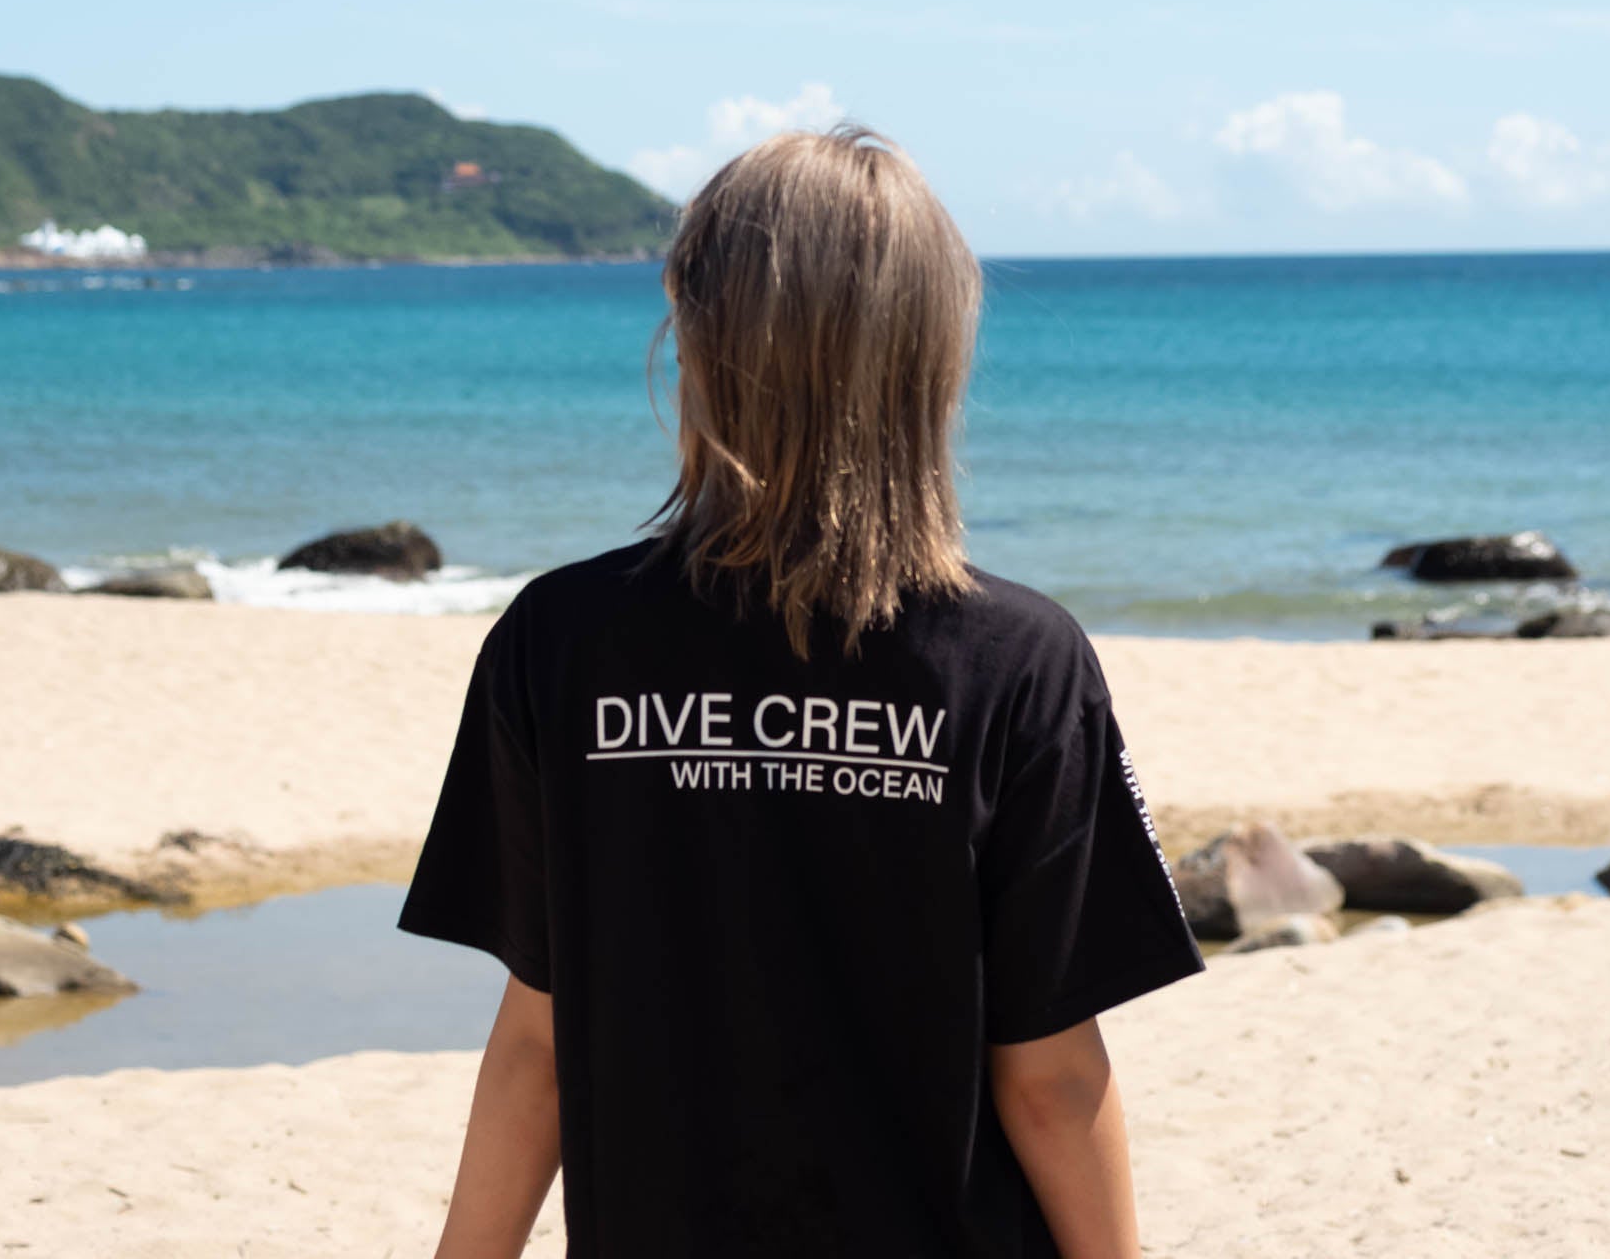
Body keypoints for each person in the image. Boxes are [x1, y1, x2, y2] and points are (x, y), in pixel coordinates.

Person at [402, 124, 1201, 1258]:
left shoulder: (562, 640)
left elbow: (541, 1035)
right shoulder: (1019, 663)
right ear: (930, 363)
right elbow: (1050, 1077)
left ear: (702, 348)